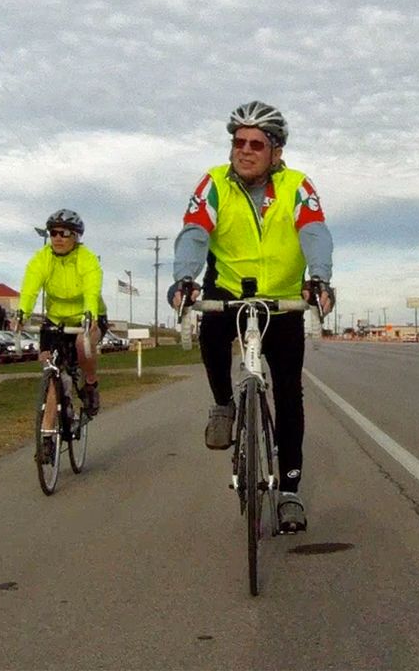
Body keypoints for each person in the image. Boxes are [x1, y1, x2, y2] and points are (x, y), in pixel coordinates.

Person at [169, 100, 334, 533]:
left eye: (256, 144)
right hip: (228, 288)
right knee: (211, 332)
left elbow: (314, 231)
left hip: (282, 300)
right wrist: (184, 278)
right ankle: (223, 404)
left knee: (289, 394)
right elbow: (194, 232)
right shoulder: (214, 183)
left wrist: (319, 278)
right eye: (238, 142)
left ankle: (290, 492)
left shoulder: (297, 186)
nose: (244, 150)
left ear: (275, 151)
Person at [17, 210, 104, 461]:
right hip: (55, 321)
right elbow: (30, 288)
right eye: (53, 232)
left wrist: (89, 315)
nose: (57, 237)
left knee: (83, 344)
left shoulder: (86, 259)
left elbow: (91, 289)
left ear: (75, 236)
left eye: (64, 233)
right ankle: (46, 437)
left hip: (86, 317)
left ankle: (90, 385)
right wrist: (22, 313)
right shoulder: (42, 259)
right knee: (51, 370)